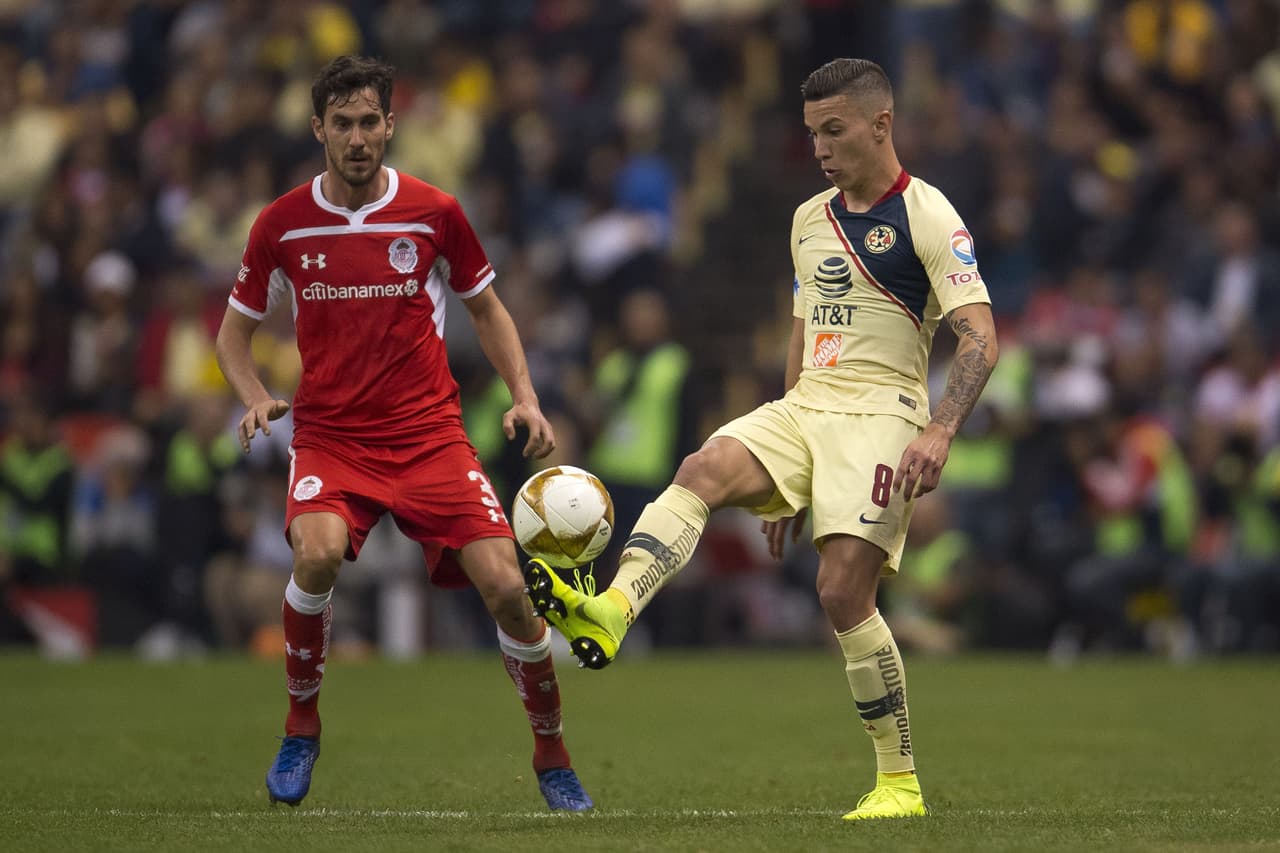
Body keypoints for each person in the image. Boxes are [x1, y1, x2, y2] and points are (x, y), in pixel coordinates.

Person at [525, 58, 998, 821]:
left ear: (882, 124)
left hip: (884, 413)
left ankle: (898, 781)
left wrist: (942, 428)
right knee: (703, 465)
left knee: (842, 591)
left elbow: (980, 336)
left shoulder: (930, 216)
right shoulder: (808, 217)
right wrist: (789, 464)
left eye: (834, 130)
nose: (819, 148)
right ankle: (611, 609)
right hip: (807, 404)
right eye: (812, 133)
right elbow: (802, 326)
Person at [214, 55, 592, 811]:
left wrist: (525, 395)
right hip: (330, 437)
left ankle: (552, 753)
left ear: (391, 124)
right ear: (319, 127)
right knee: (316, 553)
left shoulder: (433, 210)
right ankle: (301, 727)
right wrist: (254, 393)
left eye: (370, 123)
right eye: (343, 124)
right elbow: (233, 335)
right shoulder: (281, 223)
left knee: (509, 588)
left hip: (428, 436)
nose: (358, 138)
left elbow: (487, 308)